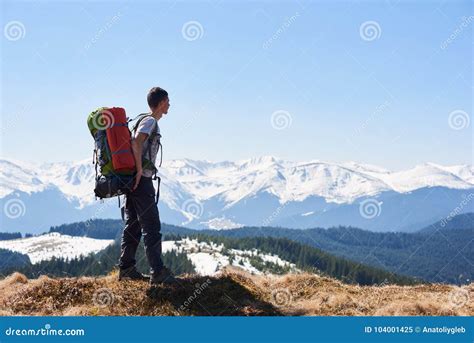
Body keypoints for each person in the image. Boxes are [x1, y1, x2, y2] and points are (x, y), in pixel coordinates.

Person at [118, 86, 177, 285]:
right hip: (141, 181)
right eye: (168, 101)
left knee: (133, 225)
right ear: (160, 103)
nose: (169, 104)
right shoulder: (150, 121)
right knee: (152, 226)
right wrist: (140, 170)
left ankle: (126, 269)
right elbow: (136, 142)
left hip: (132, 180)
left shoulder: (143, 119)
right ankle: (158, 272)